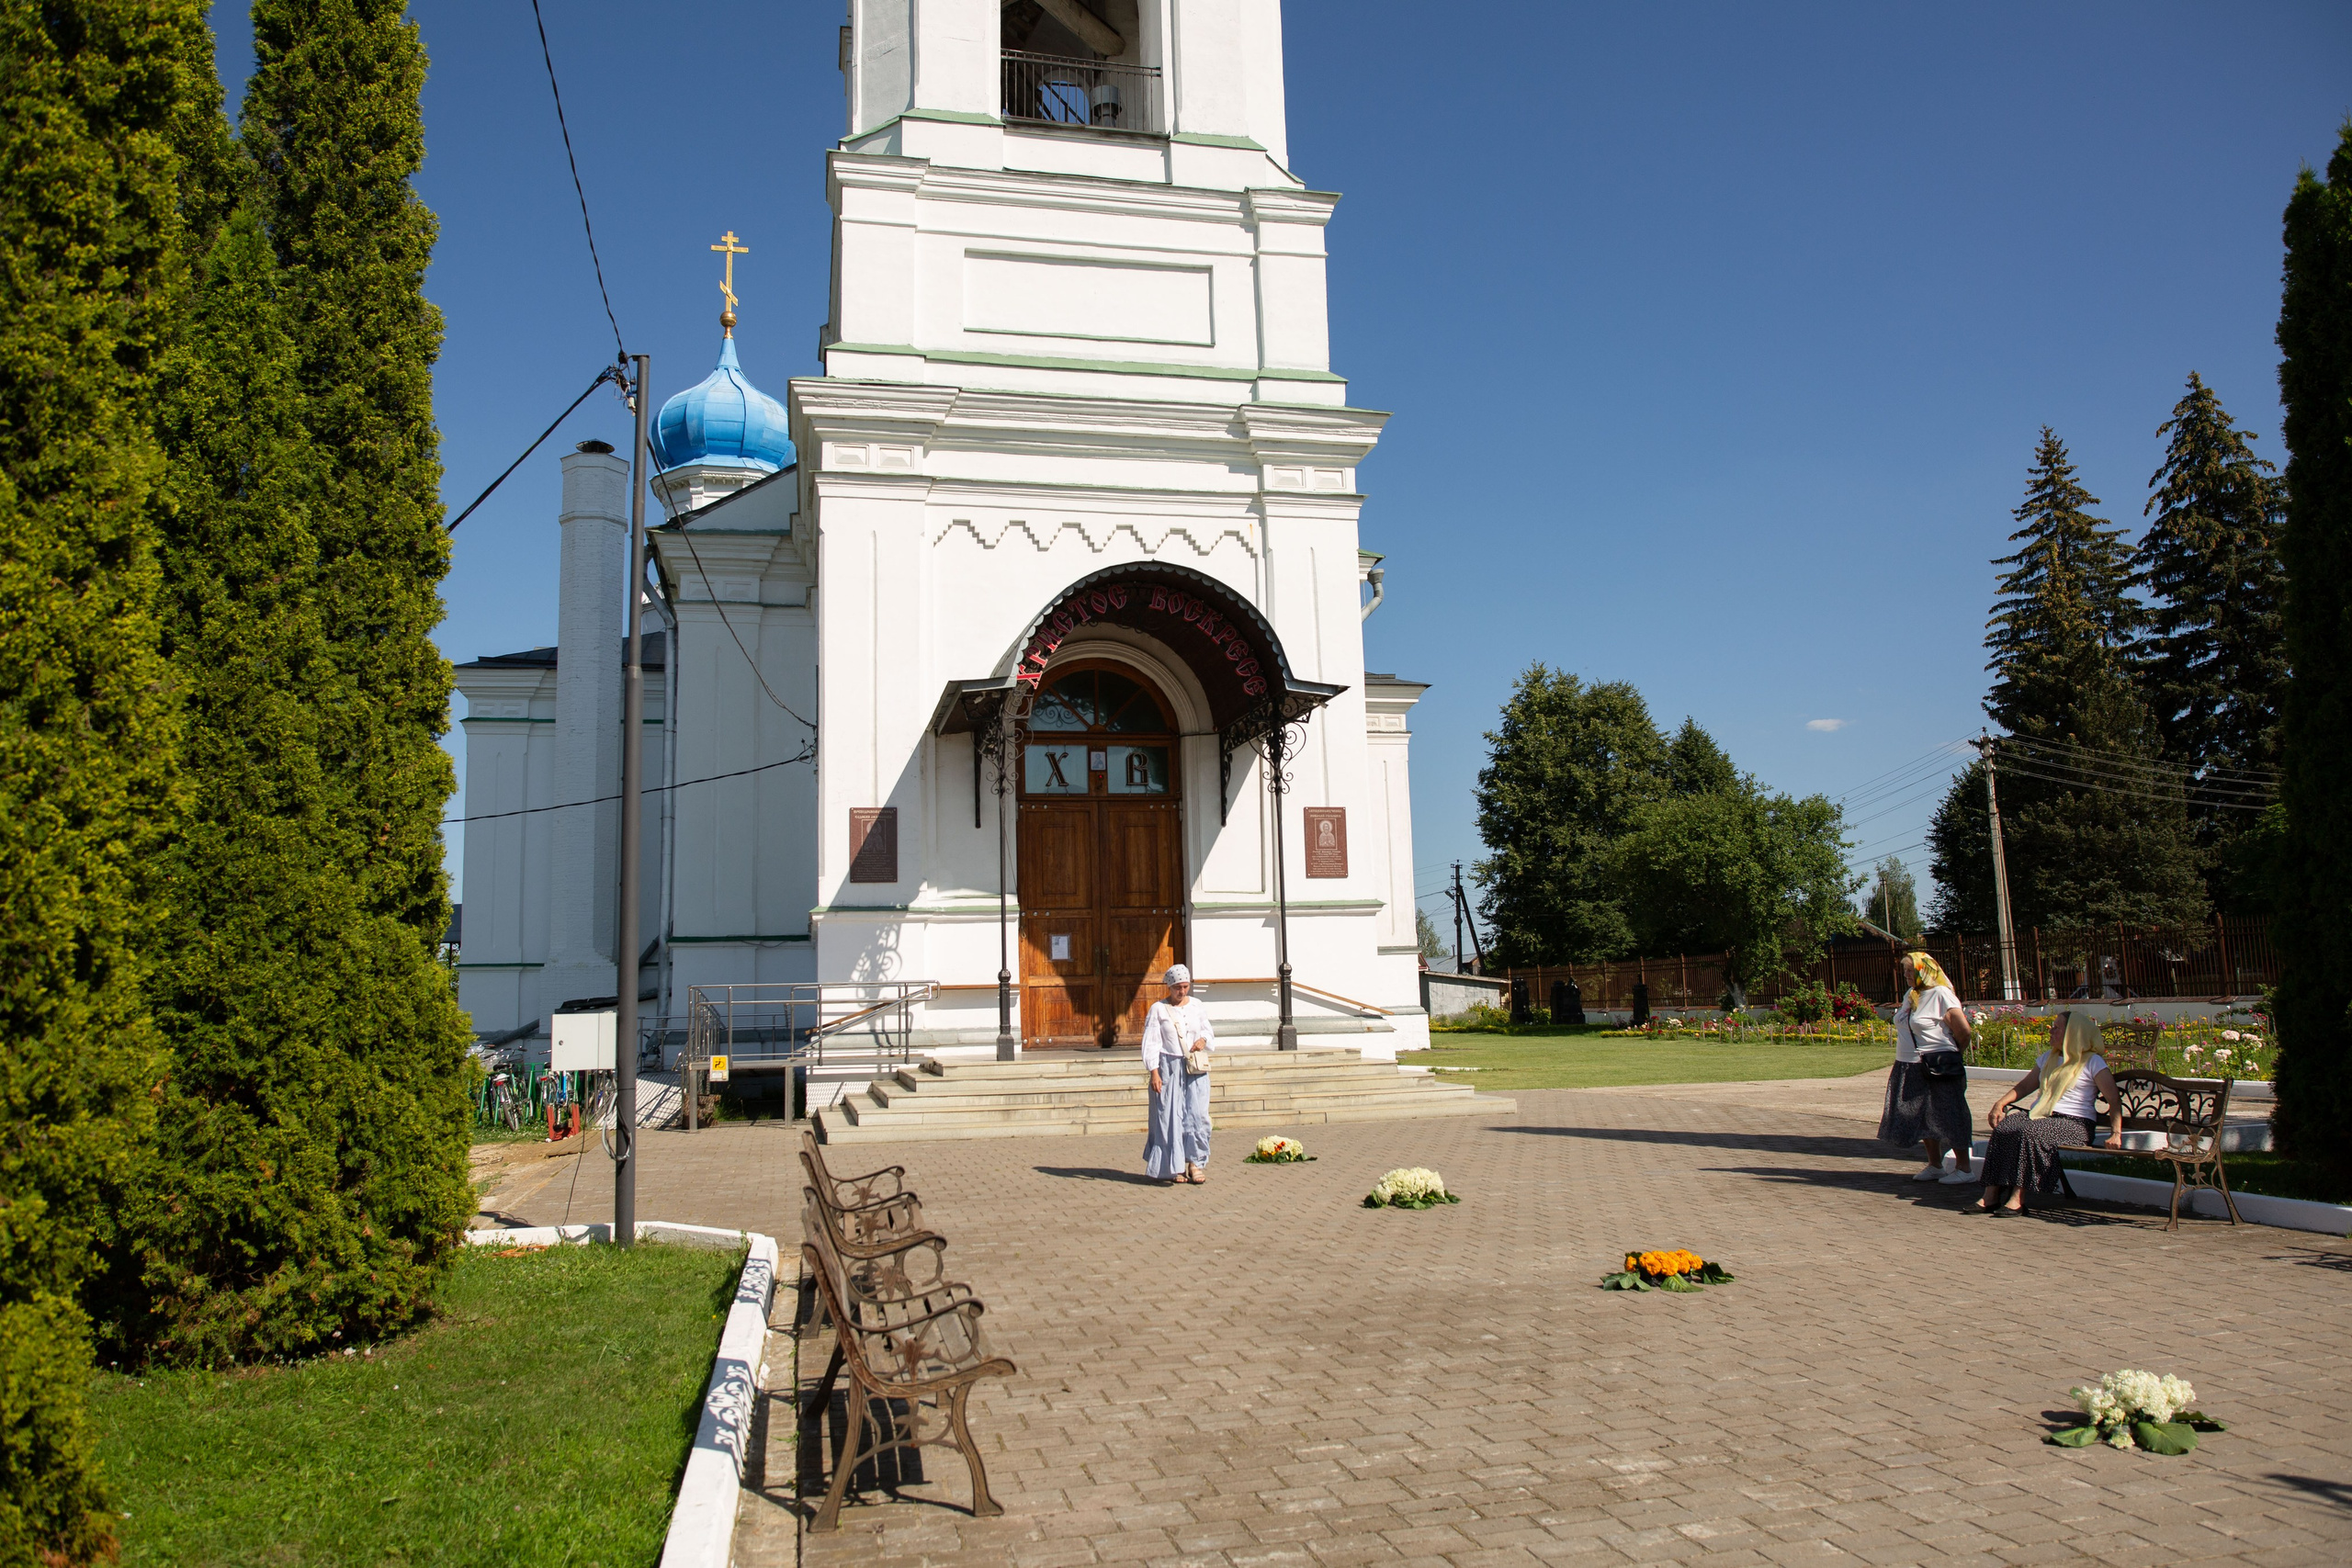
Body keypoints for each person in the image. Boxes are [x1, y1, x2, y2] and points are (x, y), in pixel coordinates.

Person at [1970, 1011, 2120, 1215]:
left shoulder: (2092, 1062)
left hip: (2075, 1124)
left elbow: (2113, 1100)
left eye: (2057, 1028)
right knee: (2004, 1128)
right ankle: (1991, 1195)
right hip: (2042, 1116)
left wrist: (2116, 1133)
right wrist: (2000, 1103)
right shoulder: (2047, 1058)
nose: (2051, 1030)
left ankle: (2017, 1199)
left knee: (2031, 1133)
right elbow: (2025, 1087)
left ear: (2072, 1034)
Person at [1877, 952, 1978, 1185]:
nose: (1906, 975)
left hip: (1937, 1065)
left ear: (1925, 970)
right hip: (1908, 1065)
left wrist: (1954, 1056)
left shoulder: (1941, 994)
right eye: (1905, 971)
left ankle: (1964, 1168)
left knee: (1950, 1114)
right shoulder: (1911, 995)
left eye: (1910, 970)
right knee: (1921, 1116)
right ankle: (1935, 1165)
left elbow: (1964, 1032)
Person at [1142, 964, 1213, 1185]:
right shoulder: (1158, 1009)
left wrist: (1203, 1040)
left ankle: (1196, 1162)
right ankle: (1175, 1165)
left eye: (1185, 987)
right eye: (1177, 988)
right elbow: (1151, 1043)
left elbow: (1207, 1032)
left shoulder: (1197, 1006)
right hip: (1168, 1066)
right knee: (1169, 1116)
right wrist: (1154, 1072)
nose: (1182, 992)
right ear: (1170, 987)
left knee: (1198, 1115)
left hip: (1194, 1067)